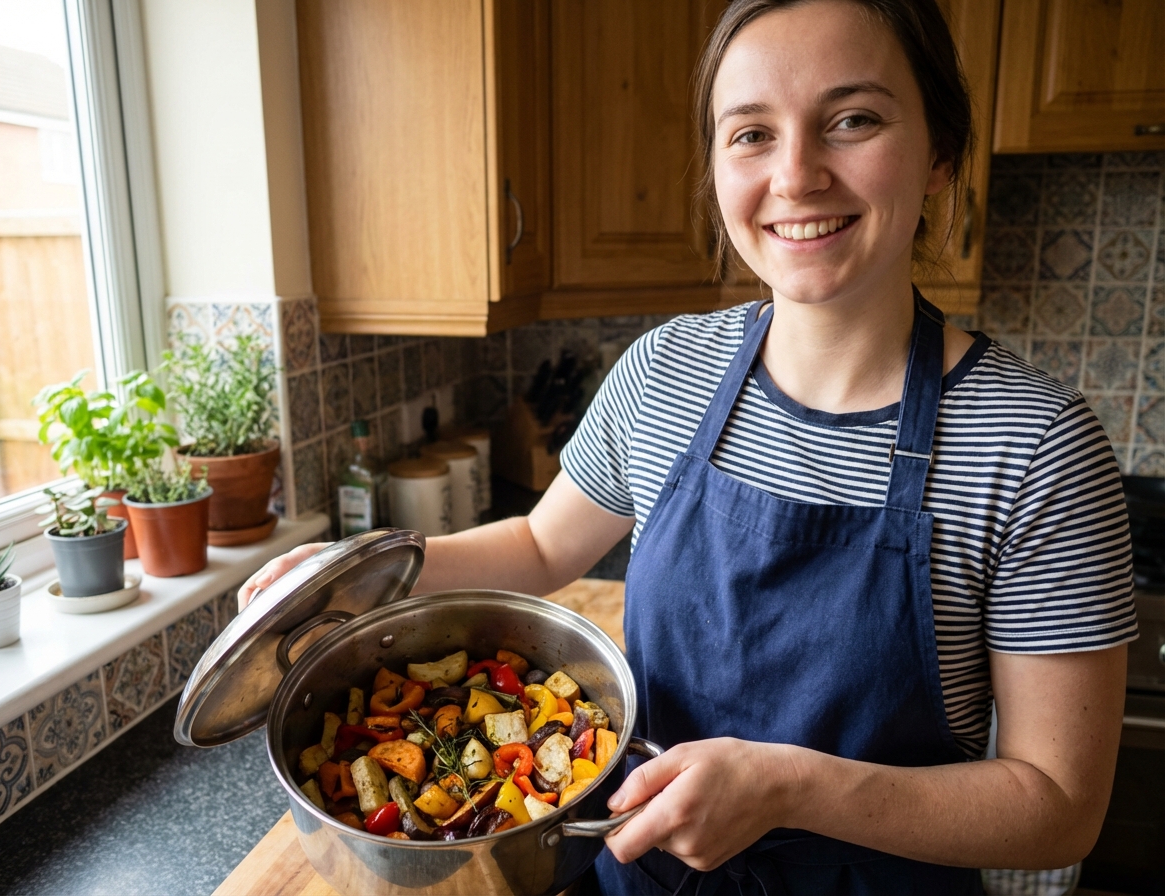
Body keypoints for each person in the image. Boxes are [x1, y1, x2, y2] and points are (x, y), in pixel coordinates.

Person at [241, 1, 1137, 892]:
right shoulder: (667, 371)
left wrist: (793, 787)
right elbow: (541, 545)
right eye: (751, 133)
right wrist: (356, 572)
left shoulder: (1036, 447)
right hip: (639, 874)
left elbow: (1057, 805)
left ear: (941, 152)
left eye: (852, 120)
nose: (795, 175)